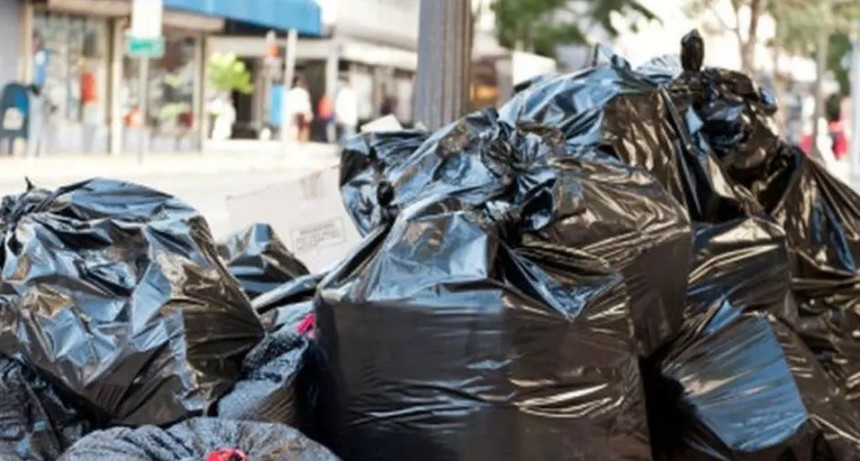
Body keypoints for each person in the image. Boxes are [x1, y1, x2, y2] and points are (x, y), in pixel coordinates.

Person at [285, 75, 313, 142]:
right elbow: (307, 104)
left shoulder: (290, 93)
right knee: (304, 128)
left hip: (295, 113)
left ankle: (295, 141)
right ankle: (302, 141)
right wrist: (308, 113)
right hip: (301, 112)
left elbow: (288, 104)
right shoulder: (304, 92)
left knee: (295, 128)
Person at [335, 76, 358, 143]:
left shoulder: (353, 93)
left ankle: (343, 149)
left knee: (348, 135)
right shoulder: (343, 93)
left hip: (352, 119)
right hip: (345, 118)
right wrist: (339, 116)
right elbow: (338, 106)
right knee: (347, 135)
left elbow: (355, 107)